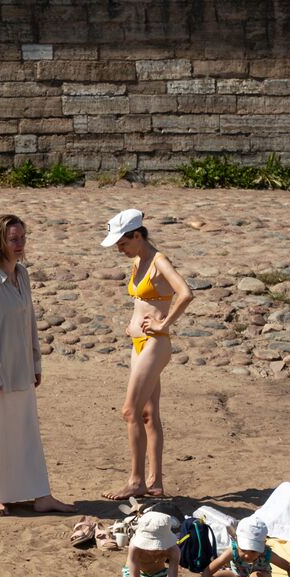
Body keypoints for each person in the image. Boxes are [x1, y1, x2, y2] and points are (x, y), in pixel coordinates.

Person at [0, 214, 74, 517]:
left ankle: (40, 495)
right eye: (14, 239)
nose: (20, 244)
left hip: (20, 366)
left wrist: (35, 360)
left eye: (22, 238)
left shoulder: (21, 274)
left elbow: (30, 321)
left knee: (25, 433)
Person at [100, 209, 194, 501]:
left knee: (129, 411)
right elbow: (142, 301)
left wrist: (162, 324)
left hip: (155, 343)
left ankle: (136, 481)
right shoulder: (139, 259)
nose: (119, 248)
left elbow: (185, 293)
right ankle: (155, 483)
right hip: (139, 344)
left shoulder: (158, 260)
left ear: (137, 235)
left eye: (123, 243)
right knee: (148, 414)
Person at [122, 511, 185, 577]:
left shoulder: (173, 550)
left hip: (159, 574)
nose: (154, 551)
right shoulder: (135, 547)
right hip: (138, 575)